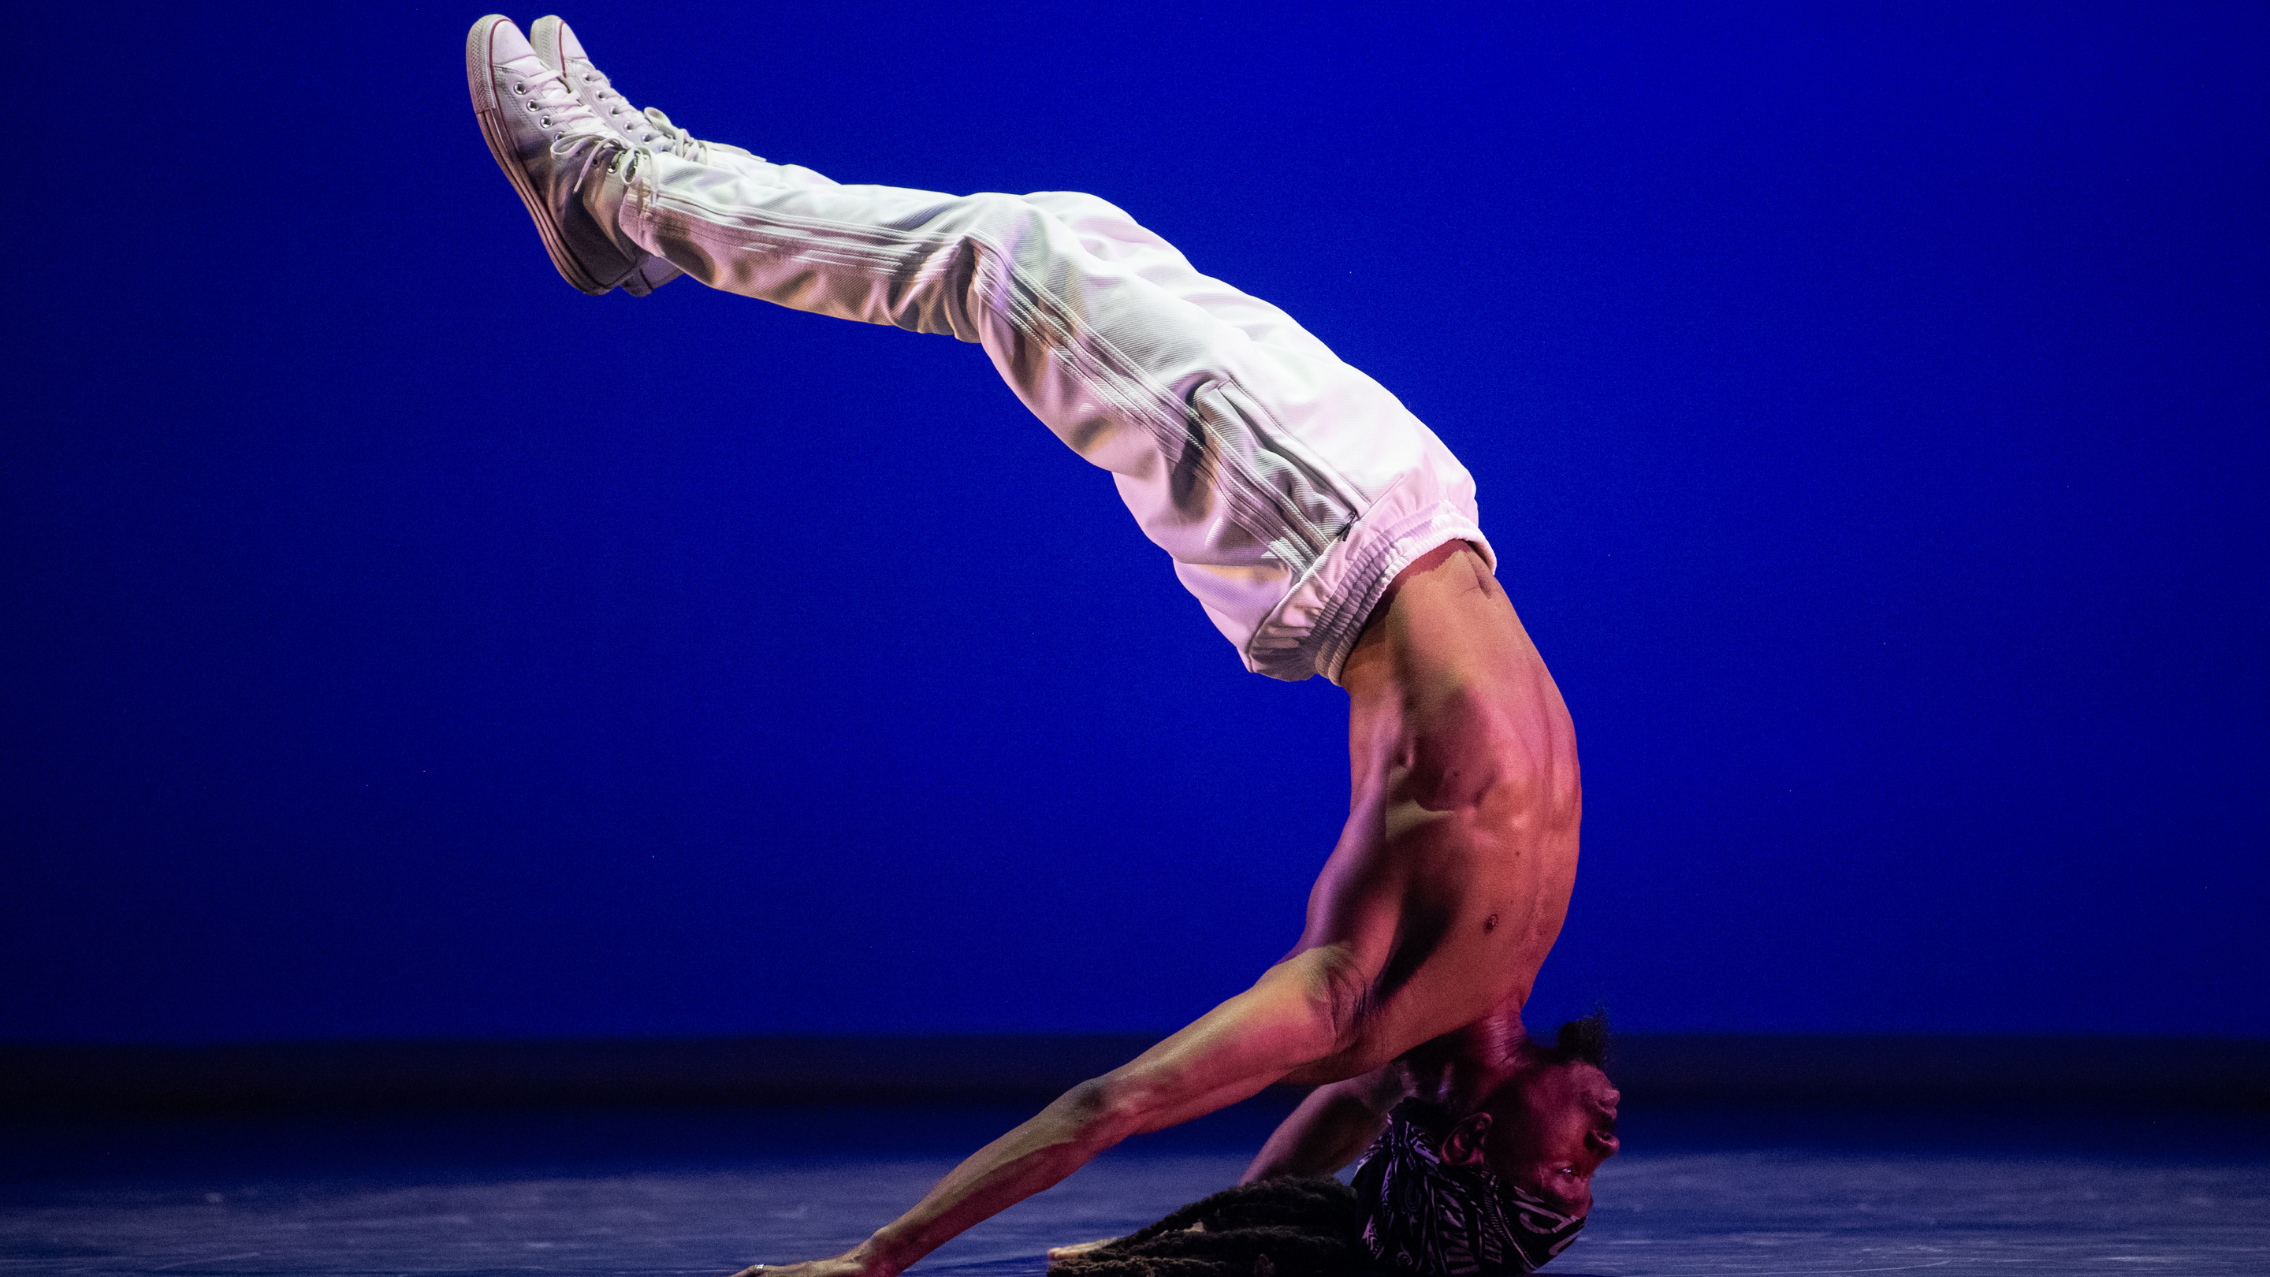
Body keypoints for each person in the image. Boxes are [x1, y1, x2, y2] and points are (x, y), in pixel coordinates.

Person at [465, 14, 1621, 1275]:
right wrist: (1188, 1242)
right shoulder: (1461, 1015)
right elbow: (1315, 1155)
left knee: (1006, 259)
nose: (1601, 1148)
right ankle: (646, 189)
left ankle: (618, 189)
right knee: (1073, 227)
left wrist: (878, 1260)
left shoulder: (1351, 1003)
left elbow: (1111, 1105)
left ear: (1464, 1142)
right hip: (1412, 497)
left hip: (1316, 524)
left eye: (1563, 1175)